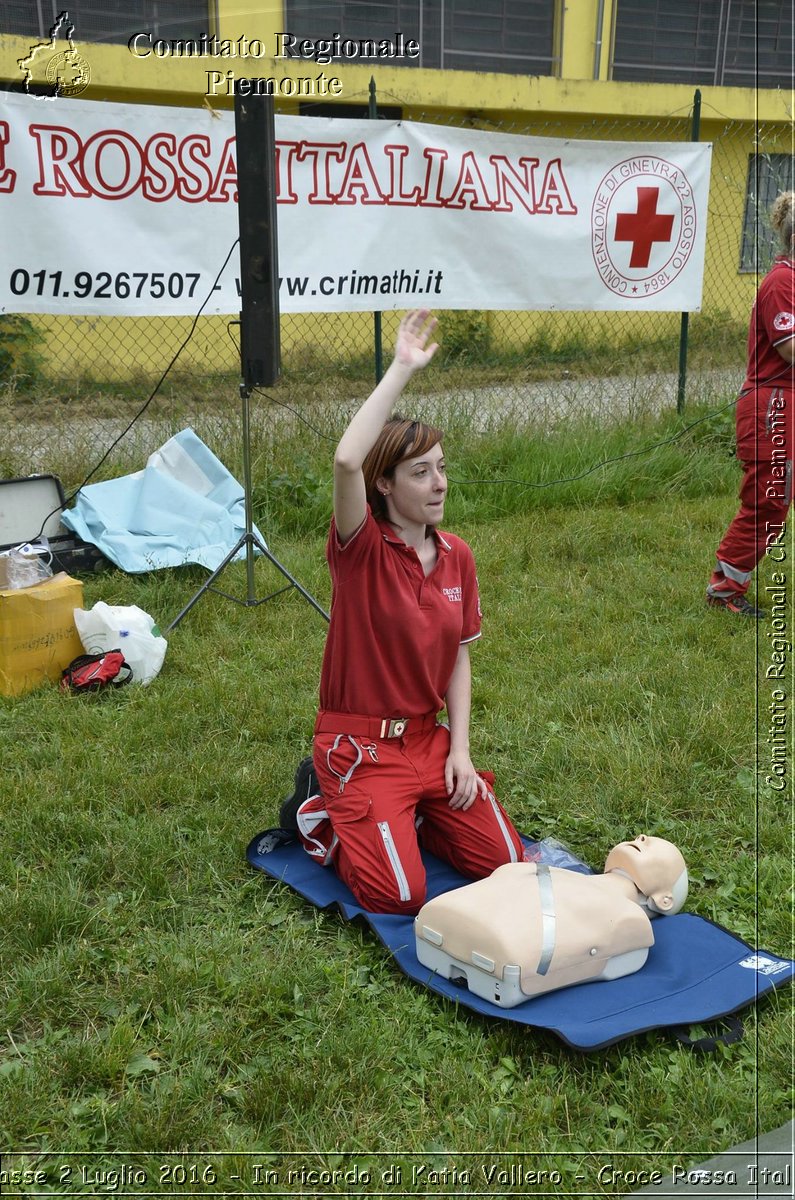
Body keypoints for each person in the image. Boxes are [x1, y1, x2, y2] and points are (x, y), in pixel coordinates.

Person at [277, 309, 524, 914]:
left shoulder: (457, 555)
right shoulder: (360, 547)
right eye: (420, 473)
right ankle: (321, 806)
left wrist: (460, 750)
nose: (439, 483)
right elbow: (344, 462)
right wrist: (401, 369)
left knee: (511, 867)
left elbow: (458, 662)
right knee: (399, 896)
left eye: (441, 468)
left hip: (428, 742)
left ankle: (409, 820)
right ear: (383, 486)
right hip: (359, 748)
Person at [415, 834, 688, 1006]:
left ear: (665, 900)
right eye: (643, 838)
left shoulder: (630, 919)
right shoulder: (560, 876)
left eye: (654, 847)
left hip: (494, 946)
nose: (641, 837)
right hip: (474, 929)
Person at [706, 191, 795, 618]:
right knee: (769, 501)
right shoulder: (782, 281)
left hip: (785, 404)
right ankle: (725, 589)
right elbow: (790, 347)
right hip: (771, 406)